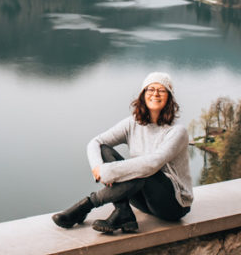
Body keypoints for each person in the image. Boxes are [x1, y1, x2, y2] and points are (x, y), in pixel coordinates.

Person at [52, 71, 193, 234]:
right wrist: (98, 167)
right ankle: (123, 212)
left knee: (145, 170)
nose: (155, 94)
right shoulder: (133, 123)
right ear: (143, 95)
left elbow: (152, 164)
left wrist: (109, 171)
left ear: (169, 97)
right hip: (144, 201)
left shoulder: (177, 131)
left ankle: (86, 205)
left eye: (161, 90)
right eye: (150, 89)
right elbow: (95, 143)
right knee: (105, 150)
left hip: (173, 205)